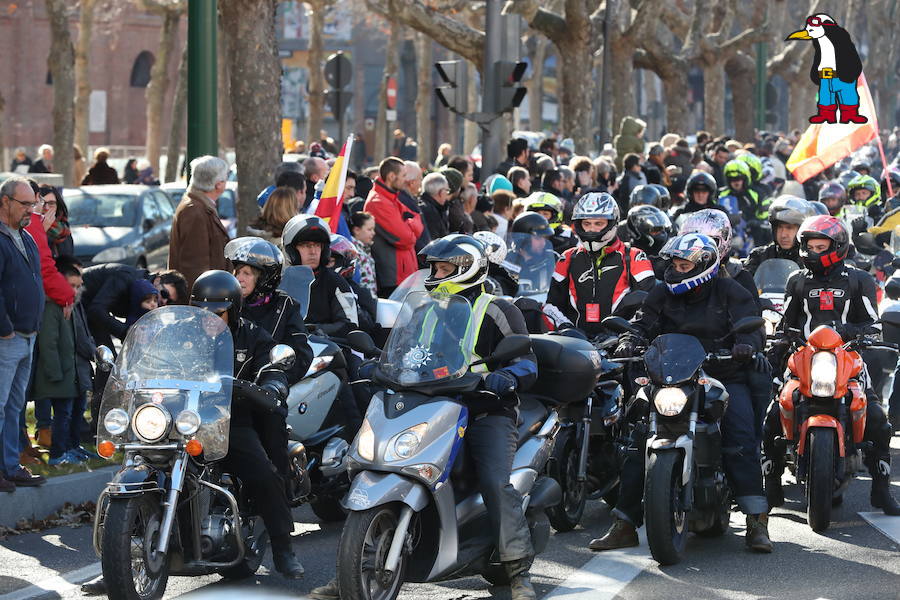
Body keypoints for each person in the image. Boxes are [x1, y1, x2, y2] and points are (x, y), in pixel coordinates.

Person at [309, 234, 539, 600]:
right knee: (373, 464)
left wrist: (506, 377)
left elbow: (527, 362)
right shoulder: (424, 308)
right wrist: (378, 361)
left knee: (495, 481)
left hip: (484, 410)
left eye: (444, 267)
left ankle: (517, 571)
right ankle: (350, 573)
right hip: (426, 402)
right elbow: (399, 349)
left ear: (468, 269)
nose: (435, 273)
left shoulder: (498, 309)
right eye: (434, 267)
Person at [82, 270, 306, 594]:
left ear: (234, 309)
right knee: (131, 466)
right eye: (202, 311)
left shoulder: (251, 336)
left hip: (225, 420)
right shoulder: (175, 332)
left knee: (263, 474)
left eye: (217, 312)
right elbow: (146, 361)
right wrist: (125, 373)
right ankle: (115, 565)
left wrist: (272, 382)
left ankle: (284, 548)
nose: (208, 318)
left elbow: (270, 368)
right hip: (176, 416)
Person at [593, 233, 772, 553]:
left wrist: (748, 346)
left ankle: (756, 521)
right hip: (671, 377)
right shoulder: (662, 292)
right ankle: (624, 524)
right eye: (674, 263)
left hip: (722, 374)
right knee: (637, 437)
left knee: (740, 434)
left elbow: (752, 325)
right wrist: (631, 339)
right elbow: (643, 322)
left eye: (684, 264)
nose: (676, 269)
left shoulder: (730, 290)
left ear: (703, 265)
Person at [762, 216, 900, 515]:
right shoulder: (796, 280)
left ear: (837, 247)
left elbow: (871, 322)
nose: (812, 252)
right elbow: (787, 321)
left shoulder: (858, 278)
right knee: (774, 411)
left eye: (820, 247)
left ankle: (881, 489)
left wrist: (856, 332)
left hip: (848, 357)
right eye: (809, 246)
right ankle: (770, 481)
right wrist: (779, 334)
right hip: (804, 357)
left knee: (877, 419)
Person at [542, 192, 656, 338]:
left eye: (598, 223)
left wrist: (625, 335)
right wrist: (567, 328)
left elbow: (649, 304)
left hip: (618, 343)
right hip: (576, 343)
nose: (592, 229)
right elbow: (551, 305)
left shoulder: (634, 256)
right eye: (587, 223)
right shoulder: (567, 257)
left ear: (612, 223)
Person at [0, 177, 47, 491]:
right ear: (5, 201)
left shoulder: (26, 236)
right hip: (8, 337)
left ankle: (9, 465)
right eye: (25, 204)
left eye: (33, 203)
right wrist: (4, 330)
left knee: (15, 407)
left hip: (27, 336)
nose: (31, 209)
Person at [33, 258, 87, 465]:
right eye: (71, 286)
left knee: (67, 413)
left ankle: (67, 449)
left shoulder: (69, 307)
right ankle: (57, 454)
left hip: (67, 374)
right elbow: (49, 343)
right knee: (62, 415)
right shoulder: (52, 308)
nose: (75, 290)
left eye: (78, 286)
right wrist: (56, 373)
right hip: (56, 375)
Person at [282, 214, 358, 338]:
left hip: (329, 349)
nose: (313, 252)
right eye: (306, 245)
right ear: (292, 250)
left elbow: (349, 324)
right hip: (287, 349)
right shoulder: (281, 281)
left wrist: (316, 329)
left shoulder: (336, 282)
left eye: (317, 245)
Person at [168, 155, 233, 289]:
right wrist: (203, 303)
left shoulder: (199, 206)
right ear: (218, 184)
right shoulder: (194, 211)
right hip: (202, 300)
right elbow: (194, 266)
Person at [364, 157, 424, 296]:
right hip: (392, 277)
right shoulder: (378, 201)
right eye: (403, 175)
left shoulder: (391, 197)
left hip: (403, 274)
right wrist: (410, 226)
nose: (405, 179)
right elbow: (406, 239)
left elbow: (418, 221)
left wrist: (409, 225)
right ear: (392, 176)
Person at [744, 196, 815, 275]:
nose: (783, 235)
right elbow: (746, 283)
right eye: (779, 227)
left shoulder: (811, 259)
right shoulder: (759, 256)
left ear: (802, 230)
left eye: (789, 228)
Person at [717, 159, 765, 257]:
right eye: (732, 179)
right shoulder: (720, 195)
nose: (736, 182)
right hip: (728, 237)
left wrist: (756, 221)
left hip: (751, 236)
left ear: (745, 178)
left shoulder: (755, 194)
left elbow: (763, 214)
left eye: (739, 178)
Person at [623, 205, 672, 278]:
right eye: (655, 230)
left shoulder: (669, 255)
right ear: (637, 231)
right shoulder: (625, 255)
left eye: (662, 229)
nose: (662, 233)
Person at [349, 211, 377, 300]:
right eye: (369, 229)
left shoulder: (364, 248)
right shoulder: (354, 252)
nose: (373, 233)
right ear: (356, 230)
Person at [418, 172, 451, 240]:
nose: (447, 194)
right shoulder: (430, 212)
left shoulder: (423, 206)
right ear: (441, 192)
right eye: (447, 191)